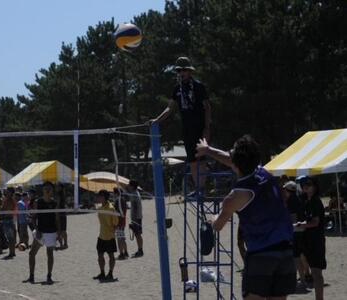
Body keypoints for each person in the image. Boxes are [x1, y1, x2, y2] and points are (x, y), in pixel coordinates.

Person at [197, 135, 296, 299]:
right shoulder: (265, 173)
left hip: (261, 255)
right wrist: (208, 150)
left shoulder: (234, 197)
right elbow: (234, 161)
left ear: (236, 164)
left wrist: (212, 219)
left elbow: (218, 225)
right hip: (286, 253)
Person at [151, 56, 211, 197]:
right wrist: (157, 120)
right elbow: (170, 108)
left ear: (190, 71)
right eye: (179, 70)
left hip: (200, 127)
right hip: (187, 128)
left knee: (201, 158)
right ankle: (198, 189)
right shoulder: (177, 89)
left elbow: (207, 107)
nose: (181, 73)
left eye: (184, 70)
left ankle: (202, 188)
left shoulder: (199, 86)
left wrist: (207, 128)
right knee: (192, 159)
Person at [297, 176, 326, 300]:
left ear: (315, 187)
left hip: (316, 240)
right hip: (306, 239)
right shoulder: (305, 200)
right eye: (304, 185)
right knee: (304, 262)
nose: (306, 187)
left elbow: (315, 222)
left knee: (317, 273)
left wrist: (302, 225)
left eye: (309, 184)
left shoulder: (315, 201)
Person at [27, 182, 58, 284]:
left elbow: (57, 219)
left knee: (50, 254)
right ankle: (31, 276)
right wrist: (37, 230)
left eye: (49, 189)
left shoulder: (54, 203)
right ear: (43, 190)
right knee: (32, 253)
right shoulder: (38, 202)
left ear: (52, 190)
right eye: (45, 189)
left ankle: (49, 276)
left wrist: (60, 233)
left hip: (51, 232)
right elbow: (33, 218)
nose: (47, 190)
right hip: (41, 231)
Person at [282, 180, 310, 288]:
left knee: (296, 256)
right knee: (301, 254)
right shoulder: (298, 199)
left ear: (288, 190)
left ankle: (301, 280)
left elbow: (293, 218)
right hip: (302, 229)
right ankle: (305, 276)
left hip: (295, 230)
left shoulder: (291, 201)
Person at [93, 190, 118, 281]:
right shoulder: (99, 208)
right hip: (101, 235)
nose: (99, 197)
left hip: (109, 236)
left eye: (100, 196)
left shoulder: (111, 209)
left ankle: (110, 273)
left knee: (111, 256)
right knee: (100, 255)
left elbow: (116, 223)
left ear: (105, 197)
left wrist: (112, 232)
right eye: (98, 196)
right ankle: (102, 273)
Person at [127, 180, 143, 257]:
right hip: (137, 217)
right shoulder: (135, 193)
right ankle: (140, 249)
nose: (128, 186)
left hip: (136, 218)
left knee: (138, 234)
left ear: (132, 186)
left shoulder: (134, 194)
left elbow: (135, 207)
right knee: (137, 234)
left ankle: (140, 250)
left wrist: (134, 220)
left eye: (129, 185)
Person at [1, 187, 17, 259]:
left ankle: (11, 252)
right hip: (9, 219)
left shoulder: (10, 200)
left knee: (10, 238)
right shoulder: (7, 199)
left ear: (10, 192)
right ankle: (12, 252)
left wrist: (2, 211)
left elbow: (7, 210)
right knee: (11, 238)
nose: (6, 192)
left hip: (8, 220)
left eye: (7, 191)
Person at [113, 188, 128, 260]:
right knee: (122, 237)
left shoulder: (118, 200)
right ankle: (126, 252)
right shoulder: (123, 199)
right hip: (123, 222)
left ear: (116, 193)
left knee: (119, 238)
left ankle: (121, 254)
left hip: (119, 222)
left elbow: (117, 212)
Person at [56, 183, 68, 250]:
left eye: (58, 186)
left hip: (60, 214)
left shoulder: (59, 195)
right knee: (63, 230)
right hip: (63, 213)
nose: (56, 187)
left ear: (60, 187)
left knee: (59, 230)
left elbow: (57, 204)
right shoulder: (63, 194)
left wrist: (56, 213)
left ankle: (62, 244)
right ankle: (65, 244)